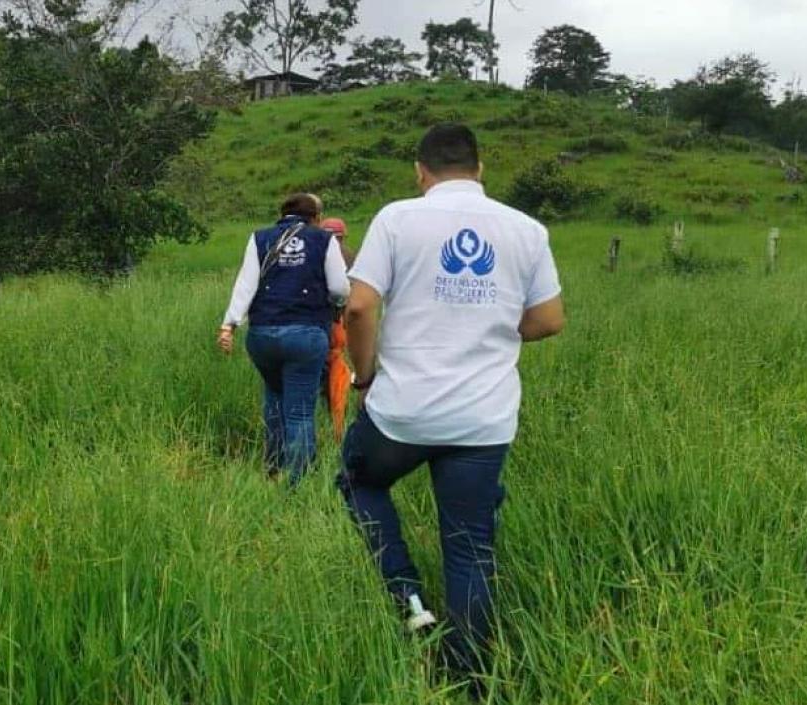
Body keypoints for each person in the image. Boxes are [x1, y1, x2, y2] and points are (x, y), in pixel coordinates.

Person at [337, 124, 566, 689]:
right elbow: (549, 320)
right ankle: (468, 679)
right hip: (483, 420)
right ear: (480, 169)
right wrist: (485, 323)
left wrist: (365, 376)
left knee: (358, 480)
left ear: (421, 172)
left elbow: (360, 308)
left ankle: (408, 598)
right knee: (469, 546)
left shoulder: (398, 218)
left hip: (402, 413)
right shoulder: (526, 230)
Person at [218, 194, 350, 486]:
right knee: (300, 411)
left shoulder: (260, 238)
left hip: (262, 336)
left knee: (275, 400)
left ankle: (273, 471)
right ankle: (298, 482)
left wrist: (229, 324)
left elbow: (246, 284)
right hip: (306, 335)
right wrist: (332, 302)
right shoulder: (323, 240)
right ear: (316, 217)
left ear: (283, 215)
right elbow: (341, 287)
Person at [319, 217, 355, 442]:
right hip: (343, 323)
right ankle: (338, 426)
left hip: (318, 322)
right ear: (344, 235)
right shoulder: (351, 256)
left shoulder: (317, 251)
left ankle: (328, 420)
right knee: (338, 371)